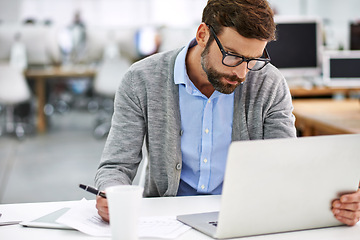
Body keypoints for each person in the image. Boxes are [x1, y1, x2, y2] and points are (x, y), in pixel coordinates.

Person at [95, 0, 360, 226]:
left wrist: (340, 203)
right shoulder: (141, 79)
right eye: (232, 56)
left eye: (253, 59)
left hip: (245, 217)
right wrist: (111, 192)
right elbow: (116, 165)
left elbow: (285, 166)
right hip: (166, 219)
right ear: (202, 35)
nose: (242, 73)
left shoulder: (269, 83)